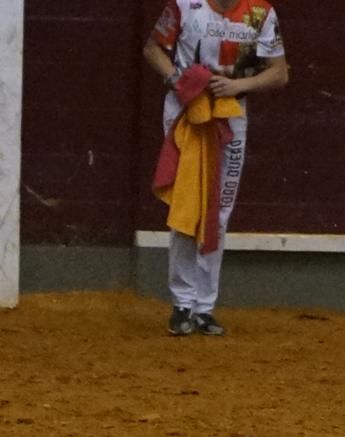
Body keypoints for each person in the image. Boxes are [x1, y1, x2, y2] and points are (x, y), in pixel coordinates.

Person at [143, 0, 288, 338]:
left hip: (231, 113)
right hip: (185, 112)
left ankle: (204, 307)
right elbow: (153, 49)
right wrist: (180, 81)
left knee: (219, 210)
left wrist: (239, 87)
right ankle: (182, 303)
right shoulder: (185, 4)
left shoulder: (260, 12)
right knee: (188, 204)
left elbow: (280, 72)